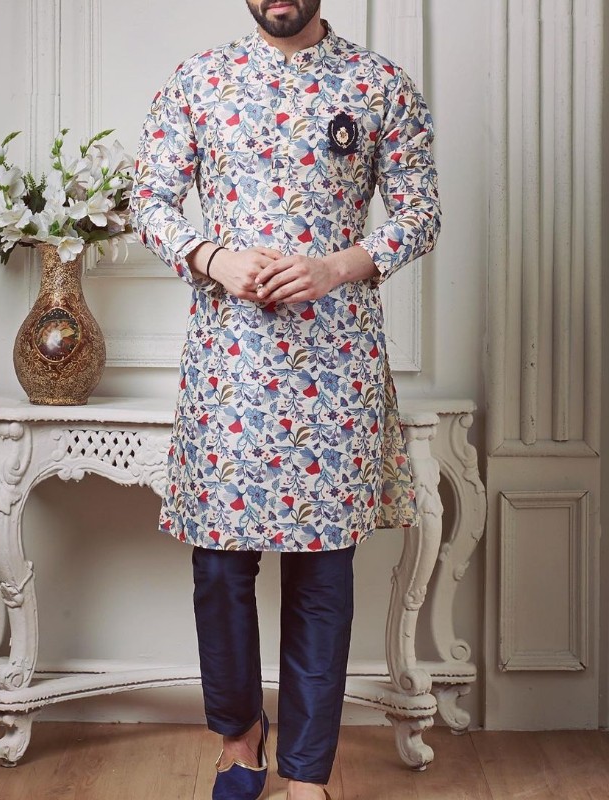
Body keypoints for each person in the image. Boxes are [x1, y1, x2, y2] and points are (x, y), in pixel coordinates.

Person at [130, 1, 440, 798]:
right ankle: (239, 738)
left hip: (336, 365)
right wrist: (214, 257)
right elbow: (151, 201)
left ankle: (308, 772)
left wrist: (337, 266)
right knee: (220, 565)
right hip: (229, 363)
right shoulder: (201, 80)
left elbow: (420, 214)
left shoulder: (378, 84)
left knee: (322, 571)